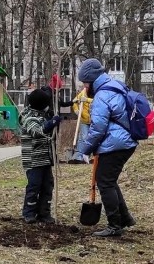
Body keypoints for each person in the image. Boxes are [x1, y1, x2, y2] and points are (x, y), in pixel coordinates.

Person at [75, 58, 138, 237]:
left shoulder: (102, 95)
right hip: (124, 141)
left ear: (92, 79)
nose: (85, 87)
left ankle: (114, 225)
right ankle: (125, 218)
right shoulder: (114, 85)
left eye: (86, 83)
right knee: (109, 180)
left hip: (117, 143)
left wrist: (85, 150)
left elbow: (98, 128)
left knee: (104, 181)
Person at [20, 86, 61, 223]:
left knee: (48, 185)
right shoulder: (29, 118)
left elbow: (50, 135)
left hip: (45, 159)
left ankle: (44, 213)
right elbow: (38, 132)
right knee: (34, 186)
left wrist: (54, 122)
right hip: (34, 160)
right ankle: (29, 213)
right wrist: (51, 123)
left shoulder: (42, 116)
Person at [70, 86, 93, 162]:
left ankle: (88, 156)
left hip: (94, 120)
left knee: (90, 138)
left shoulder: (97, 92)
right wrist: (76, 110)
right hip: (84, 120)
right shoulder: (82, 93)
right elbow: (74, 102)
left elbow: (97, 101)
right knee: (83, 138)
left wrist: (87, 100)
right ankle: (79, 157)